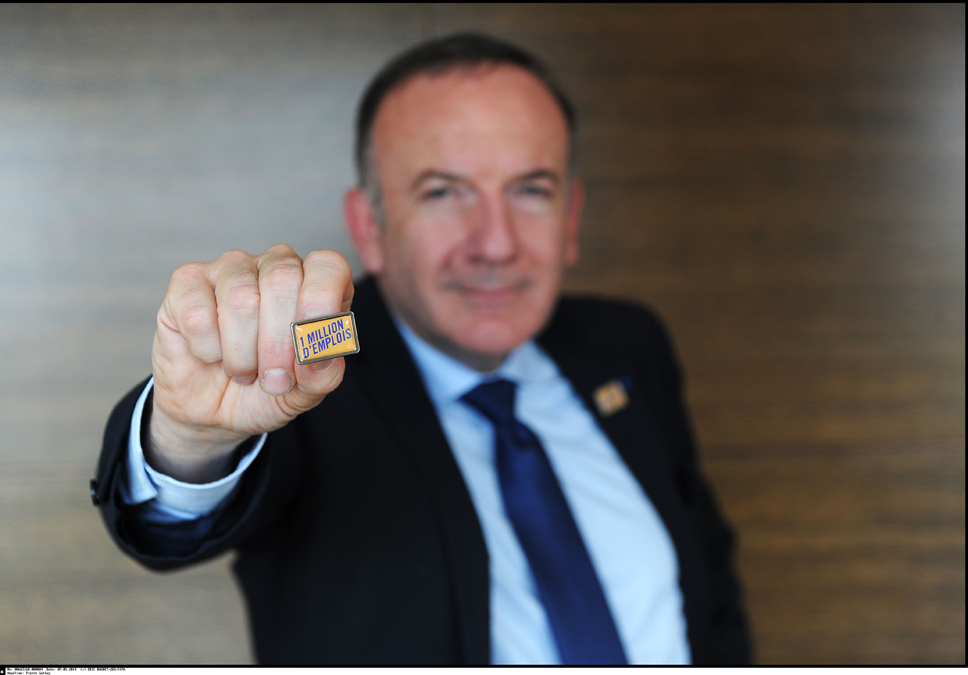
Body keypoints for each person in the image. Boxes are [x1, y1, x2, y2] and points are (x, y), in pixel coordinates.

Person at [92, 33, 751, 665]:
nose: (496, 244)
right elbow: (170, 527)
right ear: (369, 227)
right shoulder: (307, 371)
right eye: (443, 192)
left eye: (531, 190)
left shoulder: (627, 344)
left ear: (570, 218)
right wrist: (191, 437)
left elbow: (707, 573)